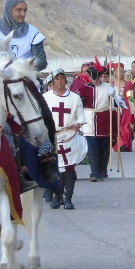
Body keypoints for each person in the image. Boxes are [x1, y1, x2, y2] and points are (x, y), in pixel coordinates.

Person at [0, 0, 58, 192]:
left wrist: (22, 66)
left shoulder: (32, 32)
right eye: (18, 10)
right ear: (8, 10)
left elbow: (41, 60)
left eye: (24, 10)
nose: (22, 14)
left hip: (24, 82)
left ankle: (47, 158)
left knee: (45, 115)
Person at [43, 68, 86, 209]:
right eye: (57, 78)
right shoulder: (46, 97)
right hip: (52, 138)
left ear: (66, 80)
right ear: (53, 81)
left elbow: (81, 116)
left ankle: (68, 198)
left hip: (69, 137)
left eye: (62, 78)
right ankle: (57, 196)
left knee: (68, 168)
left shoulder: (74, 98)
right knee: (54, 169)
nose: (60, 81)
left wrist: (77, 123)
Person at [77, 62, 125, 181]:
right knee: (92, 147)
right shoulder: (83, 89)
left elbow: (119, 104)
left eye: (97, 78)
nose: (95, 80)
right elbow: (78, 105)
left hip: (105, 120)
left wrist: (115, 97)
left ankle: (103, 171)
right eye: (93, 78)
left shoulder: (110, 87)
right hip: (89, 120)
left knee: (104, 148)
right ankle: (94, 173)